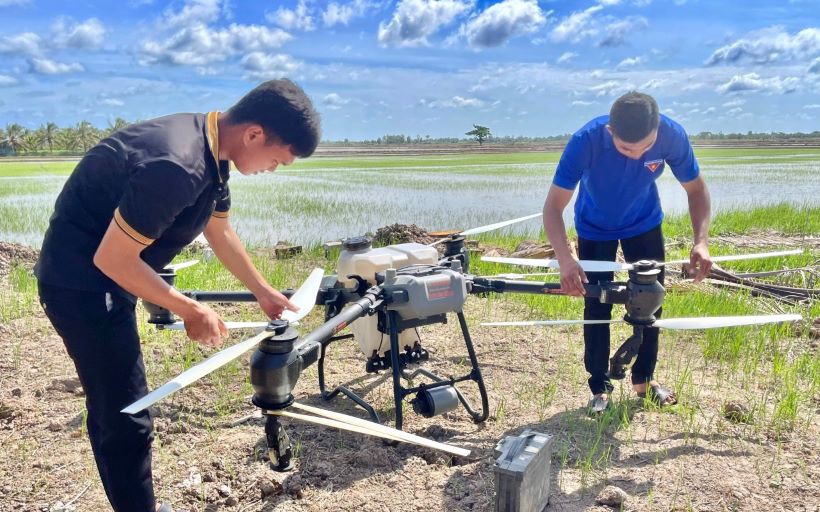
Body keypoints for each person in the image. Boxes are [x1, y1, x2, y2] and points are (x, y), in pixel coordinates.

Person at [34, 79, 321, 512]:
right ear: (254, 134)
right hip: (82, 286)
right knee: (127, 413)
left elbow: (219, 229)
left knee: (123, 405)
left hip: (113, 276)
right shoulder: (178, 164)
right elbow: (112, 259)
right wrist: (188, 307)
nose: (272, 169)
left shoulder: (214, 148)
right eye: (277, 160)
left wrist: (262, 290)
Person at [542, 91, 712, 413]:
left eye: (645, 148)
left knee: (651, 301)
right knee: (596, 304)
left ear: (657, 129)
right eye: (625, 148)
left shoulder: (672, 136)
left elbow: (697, 189)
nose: (636, 156)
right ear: (610, 132)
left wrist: (700, 241)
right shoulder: (586, 140)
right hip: (594, 227)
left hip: (643, 223)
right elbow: (553, 207)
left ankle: (644, 380)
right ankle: (599, 388)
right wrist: (565, 259)